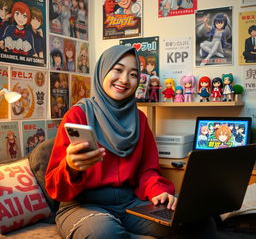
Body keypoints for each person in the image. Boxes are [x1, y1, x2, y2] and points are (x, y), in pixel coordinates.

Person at [45, 45, 216, 239]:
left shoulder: (140, 119)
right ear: (103, 71)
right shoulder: (77, 115)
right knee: (105, 234)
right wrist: (70, 167)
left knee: (199, 222)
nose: (125, 80)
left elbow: (147, 171)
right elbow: (54, 186)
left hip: (130, 203)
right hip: (82, 205)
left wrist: (158, 191)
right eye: (117, 70)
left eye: (133, 74)